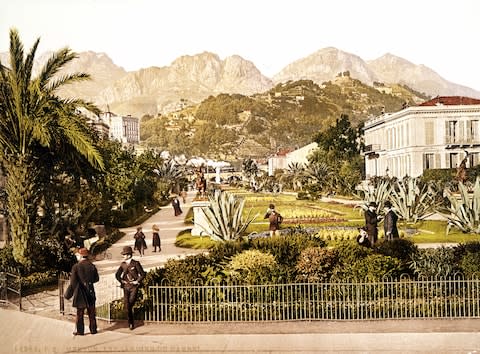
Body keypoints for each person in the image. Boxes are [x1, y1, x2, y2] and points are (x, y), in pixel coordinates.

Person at [64, 247, 99, 336]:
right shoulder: (92, 266)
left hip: (80, 292)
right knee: (91, 312)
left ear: (80, 256)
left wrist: (68, 295)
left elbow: (73, 283)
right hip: (90, 290)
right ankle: (93, 330)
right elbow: (96, 279)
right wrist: (88, 282)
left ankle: (80, 331)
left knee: (80, 313)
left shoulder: (76, 267)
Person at [115, 246, 146, 330]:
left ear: (129, 255)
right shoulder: (123, 264)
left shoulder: (135, 263)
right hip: (126, 287)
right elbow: (117, 275)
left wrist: (137, 281)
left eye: (125, 255)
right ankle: (130, 323)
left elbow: (143, 274)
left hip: (134, 287)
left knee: (130, 303)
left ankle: (131, 321)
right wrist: (121, 281)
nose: (123, 256)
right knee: (127, 305)